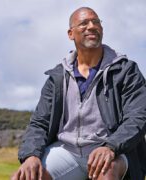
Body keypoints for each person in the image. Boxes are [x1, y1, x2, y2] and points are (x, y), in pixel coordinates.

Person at [12, 7, 146, 180]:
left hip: (112, 149)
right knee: (23, 177)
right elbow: (39, 123)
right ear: (70, 34)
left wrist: (111, 146)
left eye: (96, 22)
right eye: (84, 23)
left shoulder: (126, 70)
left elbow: (138, 116)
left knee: (106, 172)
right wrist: (30, 155)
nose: (91, 26)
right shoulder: (58, 77)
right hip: (66, 151)